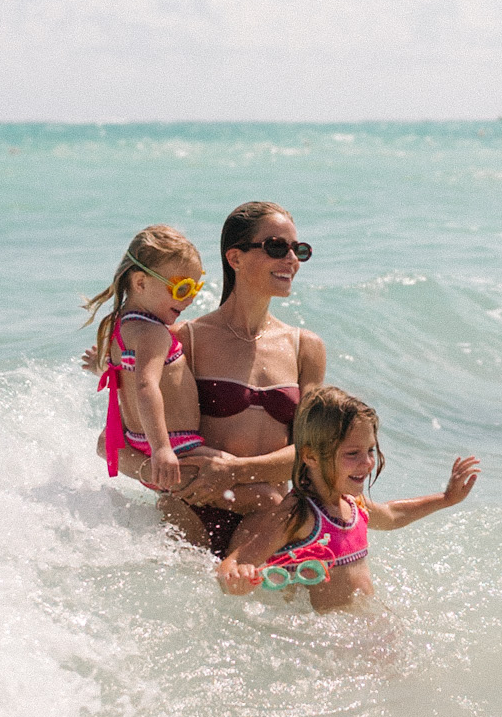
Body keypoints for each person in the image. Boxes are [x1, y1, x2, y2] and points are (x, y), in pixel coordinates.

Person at [88, 200, 326, 554]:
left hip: (266, 521)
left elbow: (313, 454)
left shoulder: (305, 347)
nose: (291, 259)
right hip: (188, 515)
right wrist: (163, 476)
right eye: (277, 247)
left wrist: (233, 473)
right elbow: (112, 443)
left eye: (299, 250)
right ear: (235, 258)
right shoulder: (186, 340)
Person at [216, 384, 479, 613]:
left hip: (360, 628)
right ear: (311, 456)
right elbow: (233, 563)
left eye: (370, 450)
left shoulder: (353, 504)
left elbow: (391, 515)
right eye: (352, 453)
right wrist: (237, 576)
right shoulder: (299, 513)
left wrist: (446, 499)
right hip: (327, 641)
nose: (366, 462)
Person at [83, 226, 206, 494]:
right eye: (182, 288)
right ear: (140, 283)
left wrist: (100, 366)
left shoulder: (119, 327)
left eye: (196, 287)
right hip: (176, 446)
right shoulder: (153, 333)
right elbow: (145, 386)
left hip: (138, 442)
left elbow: (121, 370)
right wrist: (162, 448)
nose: (191, 299)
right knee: (248, 481)